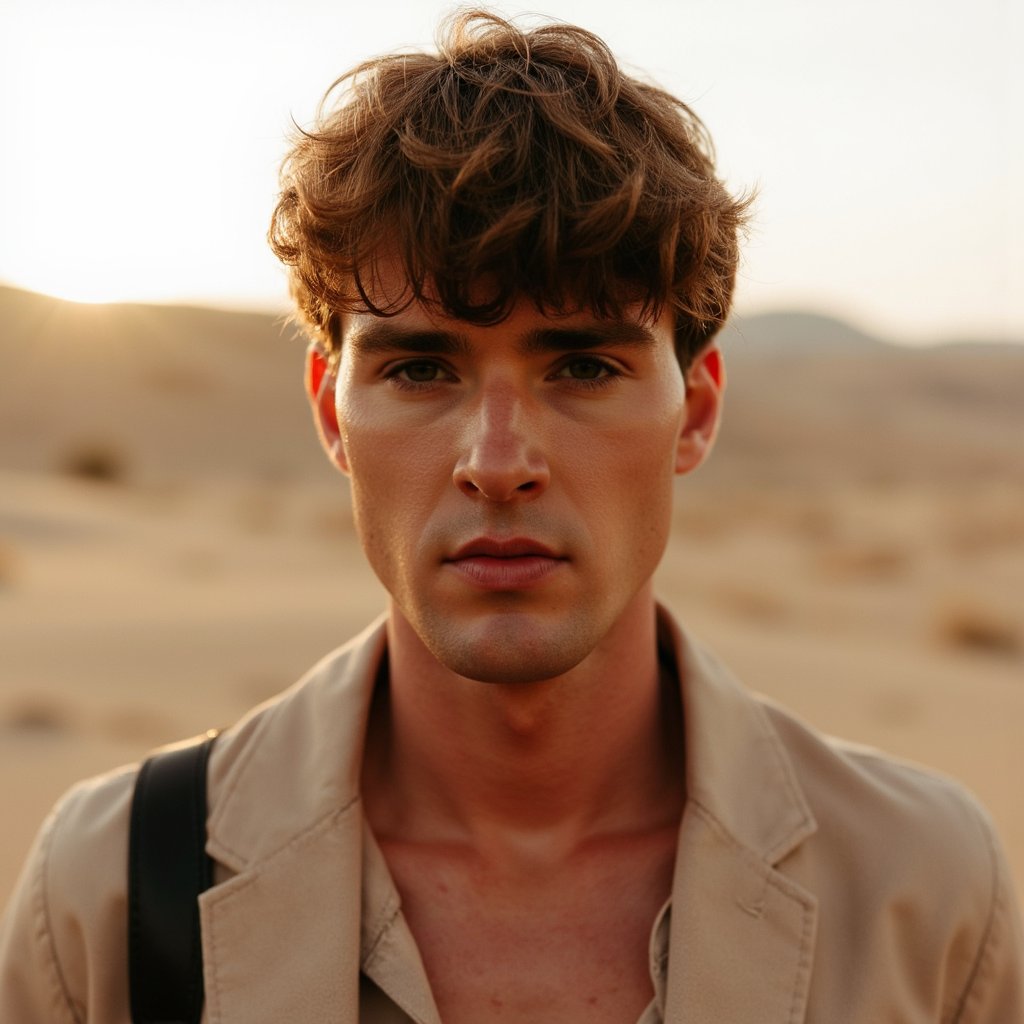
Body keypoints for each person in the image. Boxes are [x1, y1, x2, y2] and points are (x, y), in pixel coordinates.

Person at [1, 10, 1021, 1023]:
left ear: (694, 413)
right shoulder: (112, 891)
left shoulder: (919, 890)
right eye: (418, 369)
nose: (497, 463)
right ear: (330, 413)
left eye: (582, 365)